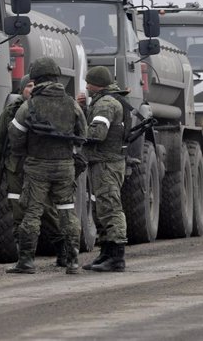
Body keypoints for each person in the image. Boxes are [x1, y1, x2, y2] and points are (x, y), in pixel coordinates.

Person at [6, 58, 87, 275]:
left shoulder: (28, 105)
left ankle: (26, 261)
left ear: (36, 78)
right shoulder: (72, 104)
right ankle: (73, 262)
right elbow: (82, 136)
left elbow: (14, 136)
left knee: (32, 213)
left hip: (36, 166)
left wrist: (26, 153)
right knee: (67, 212)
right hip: (65, 166)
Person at [0, 75, 67, 266]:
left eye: (35, 86)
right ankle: (24, 256)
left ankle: (62, 250)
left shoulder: (48, 109)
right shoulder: (10, 112)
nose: (31, 89)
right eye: (28, 86)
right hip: (16, 168)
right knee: (18, 211)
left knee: (47, 210)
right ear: (21, 90)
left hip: (39, 168)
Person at [81, 66, 128, 272]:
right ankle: (106, 253)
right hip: (102, 162)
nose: (86, 87)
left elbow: (97, 133)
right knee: (101, 209)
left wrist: (75, 128)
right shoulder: (103, 102)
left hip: (107, 163)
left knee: (110, 208)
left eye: (88, 83)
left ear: (95, 84)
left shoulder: (106, 104)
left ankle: (116, 257)